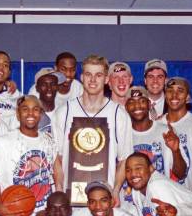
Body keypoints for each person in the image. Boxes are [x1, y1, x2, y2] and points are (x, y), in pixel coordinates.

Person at [51, 55, 133, 198]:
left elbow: (124, 159)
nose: (93, 80)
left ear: (106, 79)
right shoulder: (63, 112)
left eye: (98, 75)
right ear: (82, 77)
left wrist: (115, 191)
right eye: (88, 74)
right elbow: (56, 157)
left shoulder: (119, 115)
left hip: (104, 201)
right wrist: (59, 189)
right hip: (70, 198)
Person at [153, 77, 192, 190]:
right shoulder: (156, 125)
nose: (174, 95)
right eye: (170, 91)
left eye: (180, 90)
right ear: (165, 95)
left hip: (190, 197)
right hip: (163, 198)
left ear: (188, 97)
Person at [33, 68, 66, 133]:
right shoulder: (30, 113)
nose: (49, 88)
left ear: (57, 87)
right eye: (44, 85)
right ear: (37, 88)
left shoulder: (65, 110)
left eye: (53, 84)